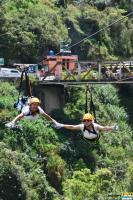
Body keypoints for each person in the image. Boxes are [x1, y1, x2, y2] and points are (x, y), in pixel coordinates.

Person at [53, 113, 118, 141]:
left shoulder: (95, 126)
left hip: (95, 138)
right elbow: (72, 127)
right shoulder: (82, 126)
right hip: (86, 138)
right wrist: (61, 125)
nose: (86, 122)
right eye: (84, 120)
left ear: (91, 121)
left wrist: (112, 127)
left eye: (88, 120)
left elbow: (104, 128)